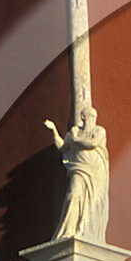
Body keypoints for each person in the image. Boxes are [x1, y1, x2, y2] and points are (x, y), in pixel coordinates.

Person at [45, 101, 109, 244]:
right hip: (79, 169)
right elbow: (62, 147)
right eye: (89, 116)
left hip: (96, 172)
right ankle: (69, 230)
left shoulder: (99, 131)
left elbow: (92, 143)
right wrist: (54, 130)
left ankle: (83, 229)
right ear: (83, 117)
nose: (92, 119)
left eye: (94, 116)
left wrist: (76, 140)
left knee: (92, 202)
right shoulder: (75, 131)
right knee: (73, 194)